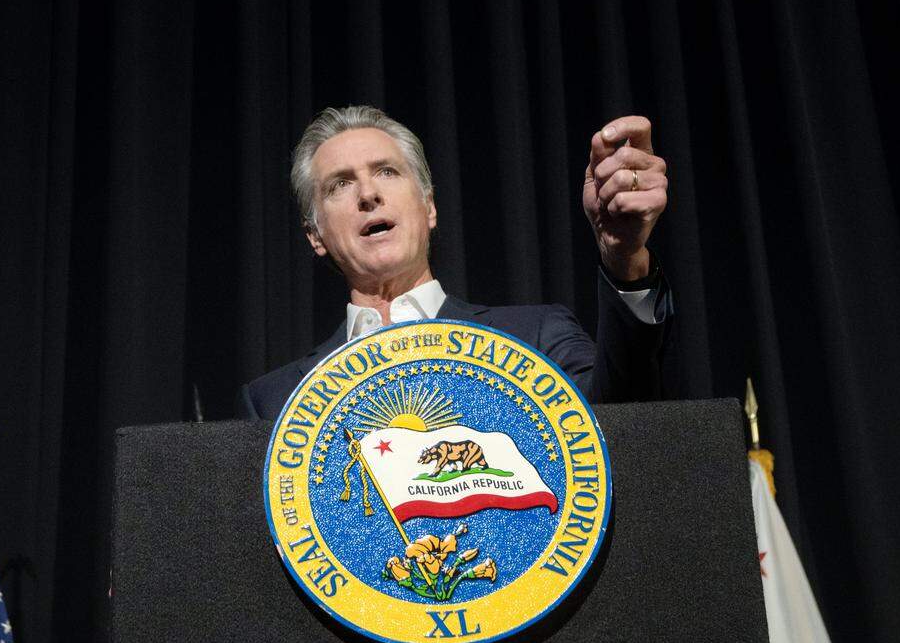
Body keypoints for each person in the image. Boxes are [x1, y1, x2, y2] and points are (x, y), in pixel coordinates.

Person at [238, 105, 671, 420]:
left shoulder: (536, 337)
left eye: (387, 171)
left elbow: (626, 425)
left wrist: (625, 258)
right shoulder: (276, 400)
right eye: (340, 184)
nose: (368, 194)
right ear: (315, 236)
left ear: (429, 206)